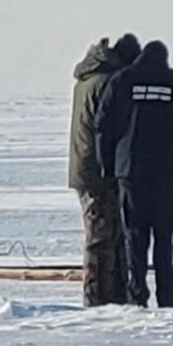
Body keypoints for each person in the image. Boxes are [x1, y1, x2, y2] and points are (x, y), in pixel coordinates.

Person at [95, 41, 173, 308]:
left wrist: (107, 166)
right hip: (165, 173)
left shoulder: (122, 81)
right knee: (164, 237)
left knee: (135, 236)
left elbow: (103, 126)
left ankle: (138, 296)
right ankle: (167, 298)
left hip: (130, 172)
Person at [68, 34, 141, 306]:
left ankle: (110, 297)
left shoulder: (88, 79)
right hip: (98, 170)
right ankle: (99, 300)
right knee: (103, 237)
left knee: (108, 233)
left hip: (88, 168)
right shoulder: (110, 82)